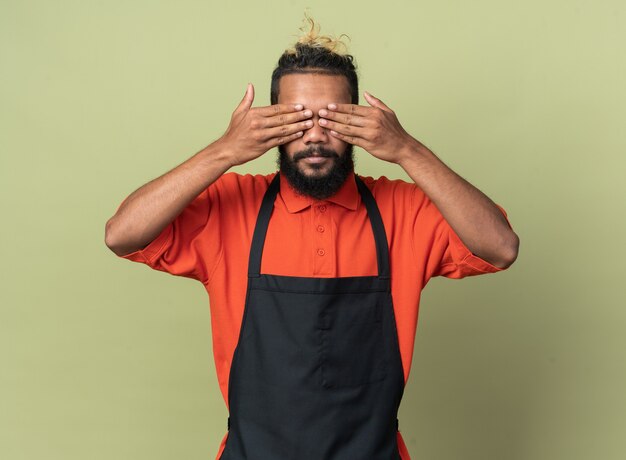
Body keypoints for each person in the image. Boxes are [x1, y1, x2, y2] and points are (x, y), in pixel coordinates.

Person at [105, 17, 519, 460]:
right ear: (270, 125)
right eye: (297, 121)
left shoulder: (402, 211)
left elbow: (501, 246)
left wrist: (407, 149)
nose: (316, 136)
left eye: (333, 119)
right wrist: (225, 150)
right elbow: (121, 234)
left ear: (361, 122)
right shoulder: (231, 208)